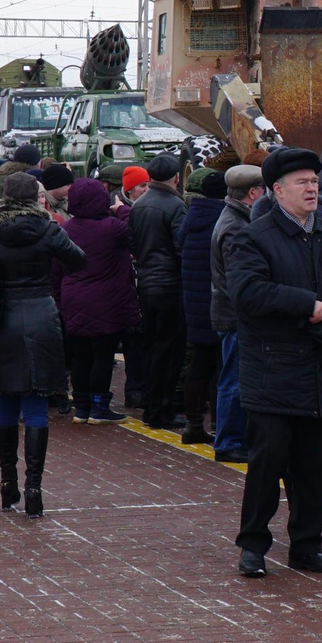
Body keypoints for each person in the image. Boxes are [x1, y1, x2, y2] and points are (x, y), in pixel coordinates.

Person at [225, 147, 322, 577]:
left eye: (314, 181)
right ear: (277, 190)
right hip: (274, 370)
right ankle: (253, 547)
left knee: (314, 468)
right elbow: (247, 293)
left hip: (321, 368)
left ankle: (307, 547)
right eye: (301, 182)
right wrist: (304, 304)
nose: (312, 188)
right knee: (267, 466)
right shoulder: (254, 237)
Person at [0, 171, 87, 513]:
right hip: (42, 316)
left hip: (1, 319)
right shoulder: (48, 228)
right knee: (36, 404)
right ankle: (34, 488)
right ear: (36, 197)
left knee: (6, 402)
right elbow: (79, 261)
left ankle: (6, 484)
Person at [54, 174, 138, 422]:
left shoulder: (66, 229)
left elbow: (55, 270)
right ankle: (99, 407)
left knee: (80, 356)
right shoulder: (112, 228)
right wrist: (122, 209)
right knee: (103, 355)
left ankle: (81, 408)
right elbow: (135, 230)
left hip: (73, 300)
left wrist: (60, 300)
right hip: (107, 302)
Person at [128, 148, 191, 429]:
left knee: (153, 346)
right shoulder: (176, 206)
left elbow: (132, 243)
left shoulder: (140, 204)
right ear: (176, 178)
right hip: (170, 284)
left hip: (147, 282)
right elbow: (182, 247)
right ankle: (161, 410)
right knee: (170, 350)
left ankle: (152, 405)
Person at [208, 164, 263, 462]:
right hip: (235, 315)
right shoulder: (236, 226)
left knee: (233, 375)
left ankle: (231, 438)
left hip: (231, 313)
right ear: (253, 192)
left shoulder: (233, 218)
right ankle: (228, 441)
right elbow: (235, 279)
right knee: (235, 379)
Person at [176, 169, 226, 445]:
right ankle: (221, 424)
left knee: (199, 362)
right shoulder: (223, 219)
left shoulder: (192, 218)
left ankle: (193, 423)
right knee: (222, 366)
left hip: (194, 304)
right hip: (217, 302)